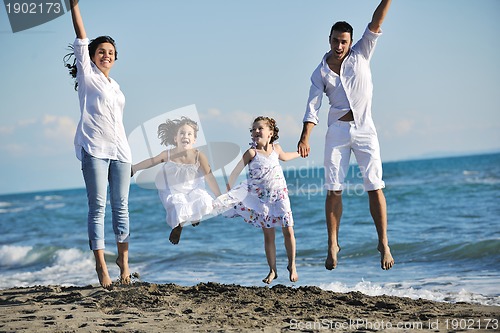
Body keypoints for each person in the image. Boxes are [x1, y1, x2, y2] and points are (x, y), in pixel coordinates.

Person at [297, 0, 395, 271]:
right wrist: (305, 137)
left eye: (343, 42)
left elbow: (376, 22)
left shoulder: (362, 53)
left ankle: (383, 243)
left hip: (365, 129)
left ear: (350, 42)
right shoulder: (320, 72)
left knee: (375, 186)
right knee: (333, 189)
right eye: (335, 41)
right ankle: (332, 244)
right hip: (337, 132)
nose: (338, 46)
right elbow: (312, 106)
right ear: (328, 40)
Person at [64, 0, 132, 288]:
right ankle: (101, 267)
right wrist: (73, 5)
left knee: (123, 207)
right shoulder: (88, 76)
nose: (106, 55)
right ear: (91, 56)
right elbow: (81, 36)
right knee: (99, 207)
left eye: (111, 53)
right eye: (101, 52)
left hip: (120, 151)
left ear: (115, 59)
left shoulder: (115, 86)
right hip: (93, 148)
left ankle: (124, 264)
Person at [215, 116, 300, 284]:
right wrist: (229, 188)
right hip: (263, 201)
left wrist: (300, 152)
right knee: (269, 236)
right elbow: (236, 171)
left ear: (271, 133)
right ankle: (272, 270)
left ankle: (292, 265)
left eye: (260, 128)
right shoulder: (252, 153)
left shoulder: (276, 149)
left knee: (288, 230)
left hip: (280, 196)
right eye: (253, 129)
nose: (256, 131)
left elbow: (285, 157)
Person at [131, 117, 222, 244]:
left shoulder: (198, 156)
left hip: (194, 187)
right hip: (174, 189)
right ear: (175, 138)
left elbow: (209, 176)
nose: (186, 136)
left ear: (194, 140)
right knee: (179, 205)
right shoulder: (168, 154)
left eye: (189, 134)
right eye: (182, 133)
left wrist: (219, 196)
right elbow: (152, 161)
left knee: (204, 201)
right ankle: (178, 227)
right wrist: (135, 168)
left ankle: (195, 216)